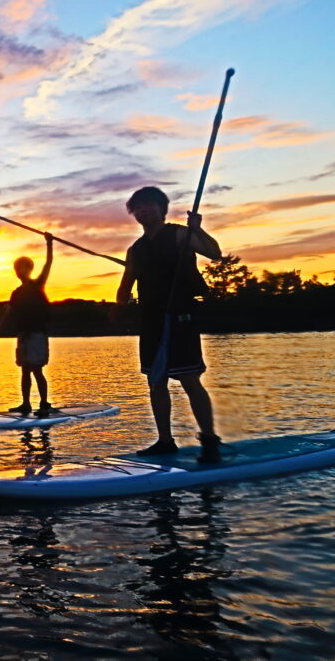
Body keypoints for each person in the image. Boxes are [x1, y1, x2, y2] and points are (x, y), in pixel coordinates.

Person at [115, 186, 222, 463]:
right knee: (156, 381)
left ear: (161, 209)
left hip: (179, 316)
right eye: (138, 207)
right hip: (151, 320)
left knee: (189, 379)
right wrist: (119, 306)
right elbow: (126, 284)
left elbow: (215, 253)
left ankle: (209, 440)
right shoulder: (135, 249)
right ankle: (165, 441)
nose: (143, 211)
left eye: (149, 205)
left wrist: (197, 229)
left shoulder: (178, 234)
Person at [0, 233, 54, 417]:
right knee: (25, 370)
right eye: (16, 268)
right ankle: (26, 404)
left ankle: (43, 403)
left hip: (37, 335)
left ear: (29, 269)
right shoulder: (16, 293)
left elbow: (48, 264)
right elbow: (8, 313)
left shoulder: (37, 285)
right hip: (23, 335)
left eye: (22, 267)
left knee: (37, 369)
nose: (19, 270)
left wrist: (49, 243)